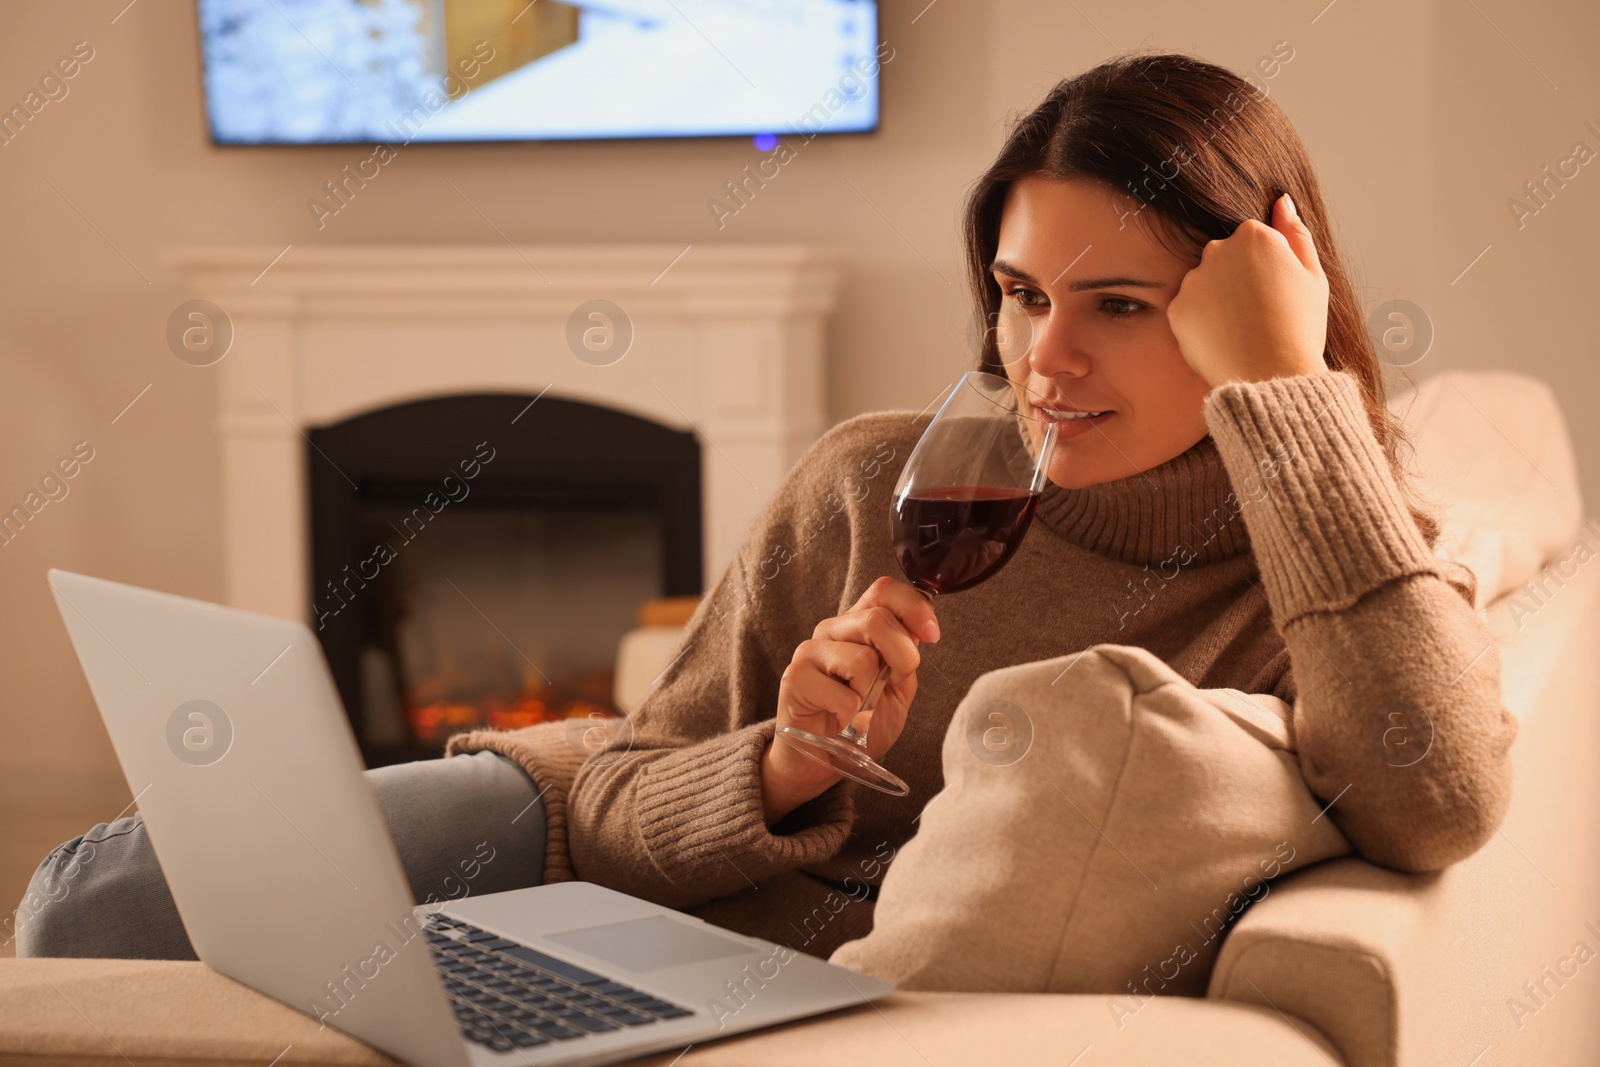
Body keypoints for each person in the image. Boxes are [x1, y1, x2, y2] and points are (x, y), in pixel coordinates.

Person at [16, 53, 1516, 967]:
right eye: (1017, 295)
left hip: (730, 975)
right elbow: (621, 790)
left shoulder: (1338, 551)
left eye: (1118, 306)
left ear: (1254, 308)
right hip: (579, 846)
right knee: (85, 906)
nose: (1043, 360)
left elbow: (1439, 799)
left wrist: (1287, 398)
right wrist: (785, 772)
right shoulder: (879, 482)